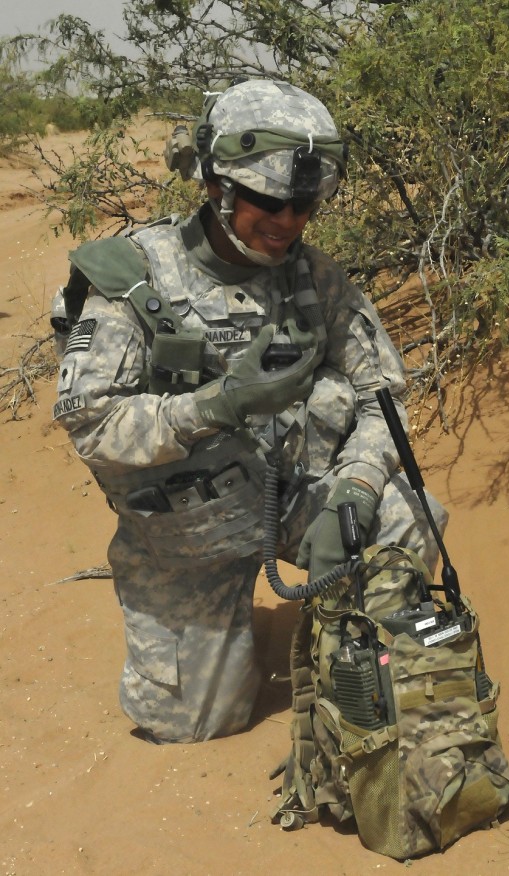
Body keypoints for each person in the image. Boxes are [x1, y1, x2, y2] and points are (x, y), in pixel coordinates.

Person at [51, 79, 447, 744]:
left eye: (303, 204)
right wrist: (220, 404)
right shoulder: (136, 280)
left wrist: (352, 490)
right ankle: (225, 629)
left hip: (297, 501)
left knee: (408, 515)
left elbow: (386, 399)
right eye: (267, 201)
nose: (287, 222)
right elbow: (91, 425)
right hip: (184, 541)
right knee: (195, 727)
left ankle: (364, 669)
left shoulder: (313, 278)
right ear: (215, 186)